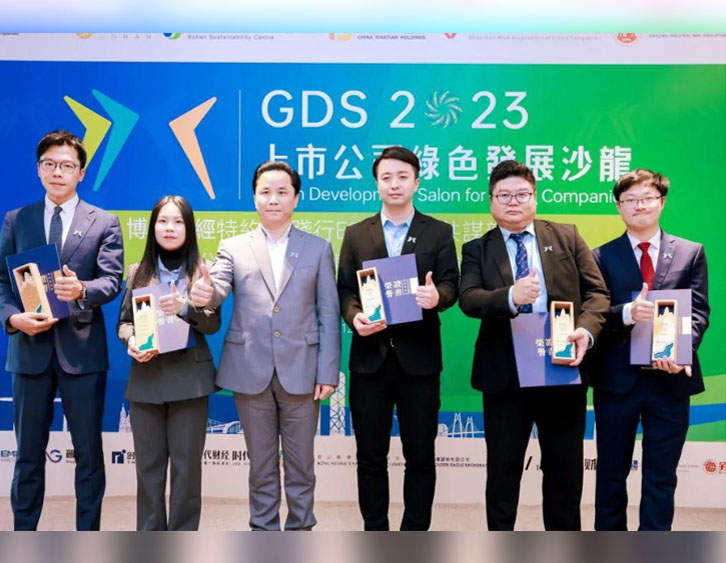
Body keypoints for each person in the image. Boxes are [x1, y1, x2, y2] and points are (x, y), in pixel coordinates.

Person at [188, 161, 340, 531]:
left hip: (303, 372)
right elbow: (217, 287)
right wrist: (205, 292)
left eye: (282, 192)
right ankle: (264, 533)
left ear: (296, 198)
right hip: (250, 369)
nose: (273, 199)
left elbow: (329, 313)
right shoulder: (233, 247)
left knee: (302, 466)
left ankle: (300, 531)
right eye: (265, 192)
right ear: (254, 198)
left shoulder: (318, 248)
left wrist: (328, 372)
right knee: (261, 465)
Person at [459, 160, 609, 530]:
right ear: (491, 201)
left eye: (521, 194)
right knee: (503, 471)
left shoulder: (567, 236)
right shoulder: (477, 248)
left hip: (562, 367)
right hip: (505, 374)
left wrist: (585, 331)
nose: (513, 202)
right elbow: (469, 298)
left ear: (535, 197)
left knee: (564, 470)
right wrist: (510, 295)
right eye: (504, 195)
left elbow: (597, 293)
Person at [0, 130, 123, 530]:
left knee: (89, 454)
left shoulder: (104, 221)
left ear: (81, 172)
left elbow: (112, 282)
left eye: (66, 165)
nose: (57, 172)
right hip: (29, 351)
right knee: (28, 455)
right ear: (38, 170)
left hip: (82, 353)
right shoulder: (17, 219)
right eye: (49, 164)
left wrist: (82, 290)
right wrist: (13, 319)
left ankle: (88, 538)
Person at [337, 146, 459, 531]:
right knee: (370, 457)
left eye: (403, 177)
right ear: (376, 183)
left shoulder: (438, 231)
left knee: (420, 456)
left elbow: (451, 284)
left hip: (419, 360)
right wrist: (354, 317)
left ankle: (414, 535)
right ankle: (376, 532)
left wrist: (437, 297)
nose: (394, 184)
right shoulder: (357, 234)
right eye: (386, 177)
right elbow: (345, 290)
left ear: (416, 182)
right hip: (370, 360)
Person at [591, 169, 710, 530]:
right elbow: (595, 313)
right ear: (618, 206)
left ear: (662, 202)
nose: (639, 206)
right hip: (617, 382)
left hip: (670, 381)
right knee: (611, 473)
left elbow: (699, 311)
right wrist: (626, 313)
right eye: (630, 199)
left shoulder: (690, 252)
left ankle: (654, 547)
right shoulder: (600, 256)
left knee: (661, 476)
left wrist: (682, 350)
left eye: (647, 198)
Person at [117, 195, 220, 530]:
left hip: (190, 382)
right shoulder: (137, 272)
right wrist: (132, 341)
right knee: (148, 471)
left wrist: (186, 309)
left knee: (187, 471)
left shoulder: (203, 271)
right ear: (153, 227)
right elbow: (124, 322)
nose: (170, 228)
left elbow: (212, 324)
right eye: (163, 221)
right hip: (146, 380)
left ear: (188, 228)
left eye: (178, 221)